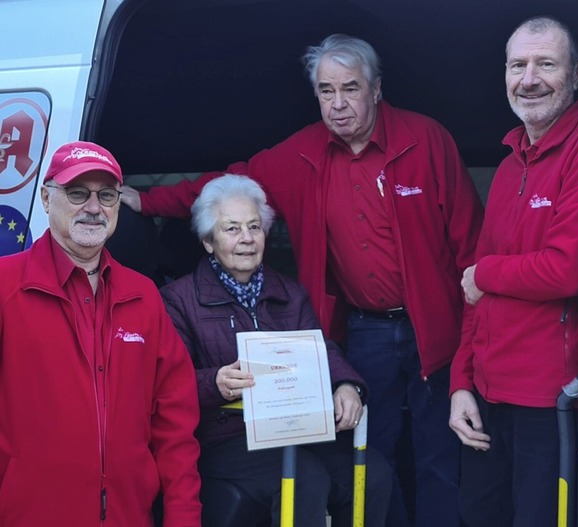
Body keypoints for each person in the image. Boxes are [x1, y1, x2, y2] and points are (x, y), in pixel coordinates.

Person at [123, 34, 484, 526]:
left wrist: (472, 342)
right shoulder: (302, 153)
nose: (337, 104)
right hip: (366, 330)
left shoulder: (427, 141)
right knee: (373, 453)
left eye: (350, 88)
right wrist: (144, 202)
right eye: (325, 91)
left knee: (438, 460)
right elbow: (228, 187)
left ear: (376, 89)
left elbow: (472, 253)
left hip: (435, 329)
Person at [160, 174, 392, 527]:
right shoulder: (179, 299)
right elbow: (167, 385)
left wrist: (346, 385)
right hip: (226, 437)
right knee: (305, 479)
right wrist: (215, 382)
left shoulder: (288, 291)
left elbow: (319, 349)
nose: (247, 239)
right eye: (232, 229)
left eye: (255, 227)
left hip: (295, 428)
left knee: (373, 472)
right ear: (209, 241)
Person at [0, 141, 202, 526]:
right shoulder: (6, 287)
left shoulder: (142, 296)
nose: (93, 207)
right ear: (46, 198)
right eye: (77, 193)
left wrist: (182, 517)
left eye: (106, 195)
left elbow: (175, 424)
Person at [448, 16, 578, 527]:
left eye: (546, 64)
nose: (528, 78)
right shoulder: (513, 161)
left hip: (548, 402)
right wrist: (459, 383)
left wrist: (485, 272)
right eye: (518, 65)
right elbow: (473, 293)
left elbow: (564, 271)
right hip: (487, 399)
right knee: (478, 516)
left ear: (576, 74)